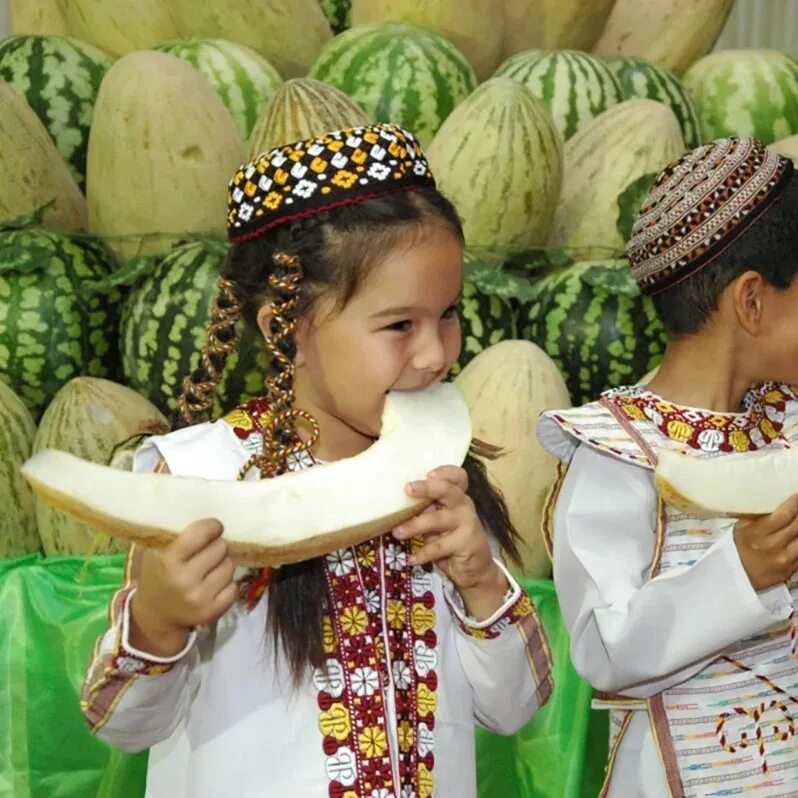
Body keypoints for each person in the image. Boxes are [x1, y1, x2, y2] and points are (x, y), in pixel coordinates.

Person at [81, 122, 552, 798]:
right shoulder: (200, 477)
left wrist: (480, 580)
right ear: (286, 328)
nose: (437, 355)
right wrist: (158, 619)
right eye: (399, 326)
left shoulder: (445, 476)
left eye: (448, 314)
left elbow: (514, 707)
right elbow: (118, 724)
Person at [537, 136, 798, 797]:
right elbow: (605, 648)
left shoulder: (788, 421)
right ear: (752, 302)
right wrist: (740, 573)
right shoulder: (616, 452)